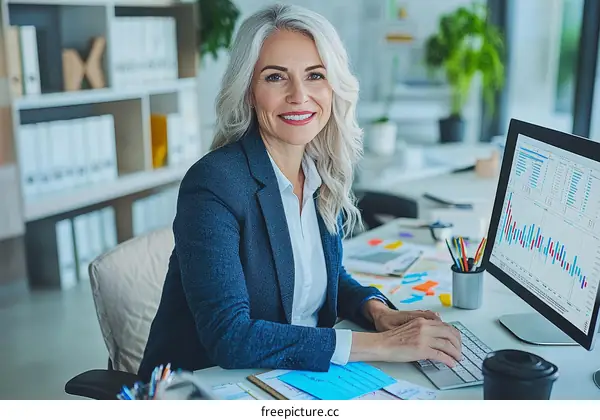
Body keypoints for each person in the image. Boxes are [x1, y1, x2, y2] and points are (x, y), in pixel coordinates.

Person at [138, 3, 461, 381]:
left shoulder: (322, 169)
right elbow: (229, 336)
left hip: (290, 376)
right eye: (276, 77)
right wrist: (382, 346)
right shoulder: (213, 184)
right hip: (206, 386)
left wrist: (379, 313)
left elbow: (323, 275)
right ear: (248, 91)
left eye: (315, 76)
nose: (299, 95)